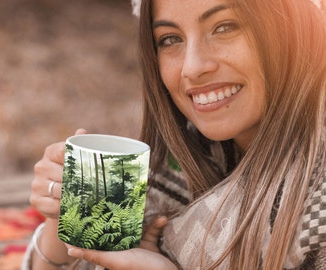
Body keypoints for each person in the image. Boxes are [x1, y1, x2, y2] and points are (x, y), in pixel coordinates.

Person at [22, 0, 325, 269]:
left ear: (295, 29)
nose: (192, 68)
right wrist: (60, 216)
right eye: (170, 39)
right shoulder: (175, 167)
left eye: (225, 27)